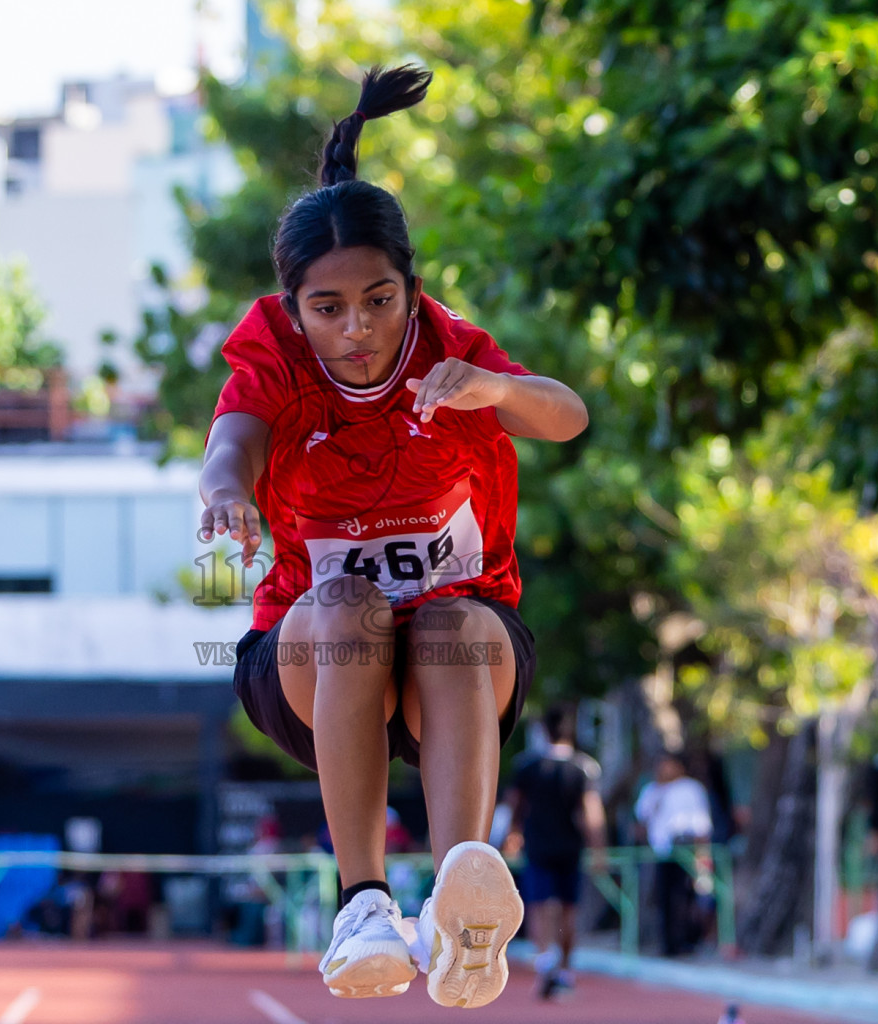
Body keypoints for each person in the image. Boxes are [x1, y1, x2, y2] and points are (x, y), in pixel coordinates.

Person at [200, 64, 588, 1007]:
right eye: (327, 309)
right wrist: (224, 491)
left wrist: (494, 390)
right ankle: (364, 905)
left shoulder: (451, 350)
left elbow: (567, 415)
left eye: (379, 299)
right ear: (294, 309)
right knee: (350, 601)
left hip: (458, 664)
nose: (358, 328)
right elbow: (232, 440)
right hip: (312, 661)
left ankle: (464, 910)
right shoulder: (276, 360)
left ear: (410, 287)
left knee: (448, 620)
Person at [501, 703, 605, 1000]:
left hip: (538, 844)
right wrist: (598, 849)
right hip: (571, 845)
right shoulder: (584, 766)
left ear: (543, 730)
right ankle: (566, 969)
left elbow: (515, 803)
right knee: (568, 907)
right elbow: (591, 812)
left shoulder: (528, 765)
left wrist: (513, 832)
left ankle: (545, 958)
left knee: (539, 904)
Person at [634, 750, 713, 958]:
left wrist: (702, 855)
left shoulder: (690, 789)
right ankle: (667, 943)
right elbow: (642, 821)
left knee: (686, 897)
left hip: (685, 850)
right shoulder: (652, 790)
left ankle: (687, 942)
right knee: (663, 898)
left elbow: (701, 825)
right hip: (660, 853)